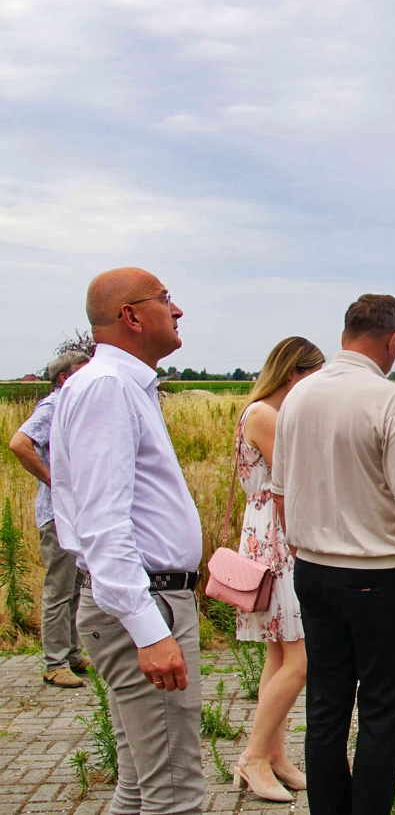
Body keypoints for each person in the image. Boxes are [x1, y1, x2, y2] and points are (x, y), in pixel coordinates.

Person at [272, 294, 395, 815]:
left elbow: (278, 493)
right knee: (382, 713)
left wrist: (305, 546)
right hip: (377, 579)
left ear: (344, 334)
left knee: (325, 708)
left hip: (313, 573)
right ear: (394, 340)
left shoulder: (296, 397)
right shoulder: (390, 400)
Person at [50, 267, 204, 815]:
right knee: (175, 793)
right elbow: (104, 523)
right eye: (166, 299)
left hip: (143, 598)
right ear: (132, 316)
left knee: (141, 789)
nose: (177, 309)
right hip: (146, 600)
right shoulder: (109, 388)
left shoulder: (115, 385)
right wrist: (148, 629)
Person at [229, 336, 324, 802]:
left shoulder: (265, 412)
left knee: (279, 656)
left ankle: (275, 756)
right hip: (277, 536)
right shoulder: (265, 415)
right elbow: (295, 476)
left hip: (270, 530)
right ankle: (252, 758)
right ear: (294, 373)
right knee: (302, 661)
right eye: (313, 376)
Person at [9, 350, 92, 688]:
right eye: (82, 371)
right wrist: (52, 480)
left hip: (72, 514)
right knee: (59, 588)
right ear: (64, 378)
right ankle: (54, 662)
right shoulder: (53, 406)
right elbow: (20, 444)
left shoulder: (72, 406)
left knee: (73, 585)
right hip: (56, 515)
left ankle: (70, 653)